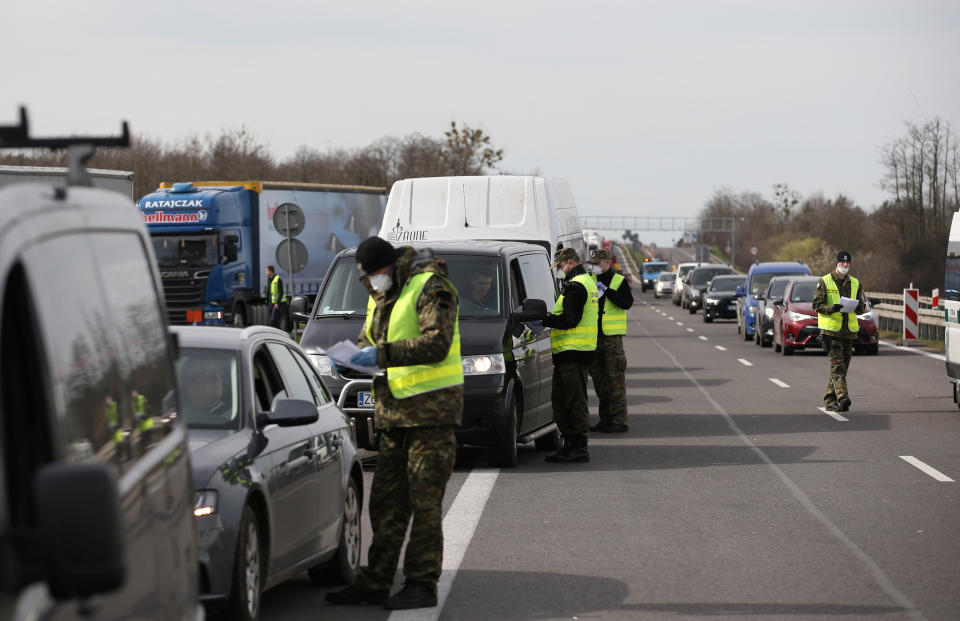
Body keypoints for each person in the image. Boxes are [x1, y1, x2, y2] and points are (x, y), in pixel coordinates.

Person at [325, 236, 463, 610]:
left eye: (373, 276)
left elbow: (437, 343)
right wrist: (351, 357)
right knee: (386, 504)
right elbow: (367, 340)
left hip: (431, 417)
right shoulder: (381, 295)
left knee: (424, 504)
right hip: (394, 416)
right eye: (365, 279)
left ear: (388, 267)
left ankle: (421, 584)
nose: (370, 284)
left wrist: (381, 353)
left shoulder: (431, 286)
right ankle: (375, 581)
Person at [540, 247, 599, 463]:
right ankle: (570, 445)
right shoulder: (586, 281)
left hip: (573, 352)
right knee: (564, 400)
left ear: (570, 264)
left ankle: (578, 447)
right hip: (574, 352)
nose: (560, 271)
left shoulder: (576, 286)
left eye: (561, 266)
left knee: (573, 401)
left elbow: (570, 319)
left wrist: (544, 320)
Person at [813, 250, 866, 412]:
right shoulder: (825, 281)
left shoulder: (855, 283)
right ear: (836, 263)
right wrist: (831, 308)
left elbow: (862, 307)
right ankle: (843, 398)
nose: (844, 265)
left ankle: (830, 400)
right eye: (842, 263)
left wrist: (858, 307)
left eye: (847, 263)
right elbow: (816, 305)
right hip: (831, 332)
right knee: (837, 367)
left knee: (843, 368)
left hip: (848, 332)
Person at [587, 249, 633, 433]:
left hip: (612, 339)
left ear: (607, 263)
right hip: (593, 336)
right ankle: (605, 419)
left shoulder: (619, 281)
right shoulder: (589, 280)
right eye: (593, 264)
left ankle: (620, 420)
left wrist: (609, 292)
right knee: (599, 381)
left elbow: (626, 303)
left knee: (615, 381)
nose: (595, 267)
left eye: (597, 264)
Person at [180, 358, 231, 424]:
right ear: (189, 385)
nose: (217, 378)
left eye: (220, 373)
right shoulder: (179, 418)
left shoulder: (238, 413)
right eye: (209, 375)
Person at [265, 265, 288, 331]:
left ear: (270, 271)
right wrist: (267, 302)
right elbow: (269, 291)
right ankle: (273, 334)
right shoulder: (269, 279)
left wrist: (277, 303)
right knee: (271, 321)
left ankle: (277, 334)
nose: (266, 272)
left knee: (275, 321)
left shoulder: (278, 279)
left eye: (266, 271)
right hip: (270, 303)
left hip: (277, 304)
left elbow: (281, 292)